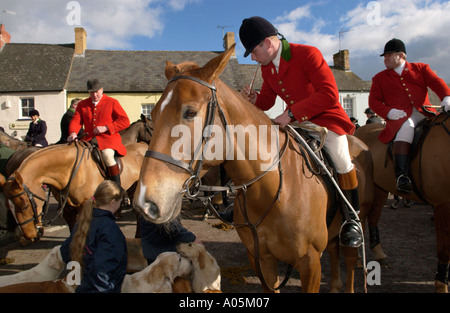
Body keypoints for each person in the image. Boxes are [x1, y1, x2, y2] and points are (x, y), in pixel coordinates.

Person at [239, 16, 362, 248]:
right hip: (295, 122)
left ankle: (352, 219)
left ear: (267, 43)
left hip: (326, 119)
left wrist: (291, 114)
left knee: (342, 159)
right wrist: (254, 98)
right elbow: (266, 100)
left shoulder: (307, 54)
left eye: (253, 52)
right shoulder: (267, 69)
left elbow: (328, 94)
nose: (253, 58)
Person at [369, 38, 450, 194]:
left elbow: (436, 82)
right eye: (384, 57)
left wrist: (446, 96)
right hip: (400, 118)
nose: (385, 59)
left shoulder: (420, 68)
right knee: (407, 127)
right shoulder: (379, 78)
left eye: (388, 55)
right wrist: (388, 112)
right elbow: (373, 102)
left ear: (401, 56)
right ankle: (402, 176)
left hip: (425, 112)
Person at [60, 180, 127, 293]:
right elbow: (102, 272)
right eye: (121, 202)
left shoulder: (82, 222)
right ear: (113, 203)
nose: (120, 205)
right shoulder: (110, 229)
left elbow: (65, 252)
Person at [68, 79, 130, 189]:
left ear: (102, 90)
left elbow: (125, 121)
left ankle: (118, 190)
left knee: (107, 156)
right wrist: (73, 133)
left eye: (97, 91)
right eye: (92, 92)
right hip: (88, 140)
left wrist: (106, 127)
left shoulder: (112, 102)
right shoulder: (82, 104)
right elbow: (76, 121)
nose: (95, 94)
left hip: (108, 139)